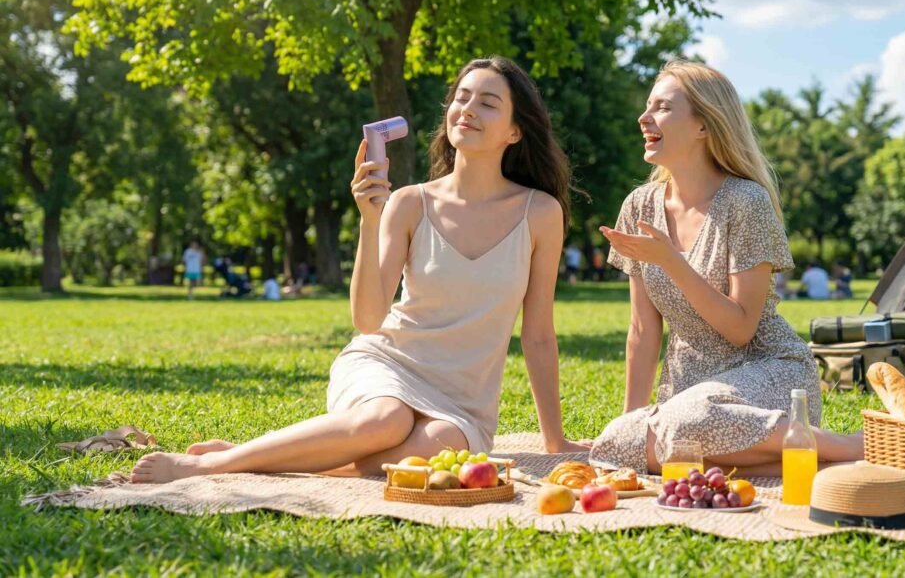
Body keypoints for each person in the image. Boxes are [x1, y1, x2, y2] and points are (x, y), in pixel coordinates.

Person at [130, 56, 588, 484]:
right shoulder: (409, 203)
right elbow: (368, 320)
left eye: (487, 103)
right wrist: (371, 220)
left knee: (416, 455)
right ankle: (212, 465)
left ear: (515, 131)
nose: (467, 109)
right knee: (386, 421)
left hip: (462, 401)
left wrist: (555, 439)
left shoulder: (539, 213)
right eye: (461, 98)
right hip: (388, 365)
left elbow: (538, 335)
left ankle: (262, 454)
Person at [592, 60, 862, 476]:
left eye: (662, 107)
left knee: (689, 420)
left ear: (704, 125)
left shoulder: (746, 202)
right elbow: (643, 330)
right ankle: (796, 458)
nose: (644, 117)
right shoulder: (640, 205)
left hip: (768, 371)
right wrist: (631, 424)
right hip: (689, 390)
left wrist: (671, 261)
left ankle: (852, 447)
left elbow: (740, 329)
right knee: (614, 445)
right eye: (648, 106)